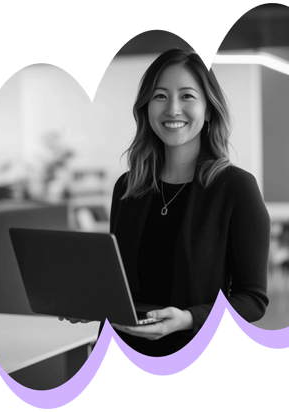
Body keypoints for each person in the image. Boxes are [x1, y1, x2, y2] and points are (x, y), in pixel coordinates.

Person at [62, 48, 270, 357]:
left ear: (209, 109)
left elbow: (252, 301)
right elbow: (122, 284)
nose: (173, 109)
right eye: (160, 96)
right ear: (146, 108)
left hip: (191, 350)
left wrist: (188, 319)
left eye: (187, 96)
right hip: (124, 348)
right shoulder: (128, 187)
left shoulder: (236, 187)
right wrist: (94, 304)